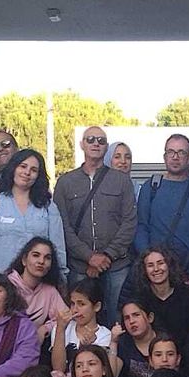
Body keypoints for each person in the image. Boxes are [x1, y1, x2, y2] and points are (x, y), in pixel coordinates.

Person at [54, 125, 137, 324]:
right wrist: (88, 256)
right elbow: (61, 225)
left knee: (118, 318)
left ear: (106, 147)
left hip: (117, 265)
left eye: (100, 140)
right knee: (80, 318)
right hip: (80, 267)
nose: (95, 143)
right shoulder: (65, 182)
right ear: (82, 144)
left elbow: (129, 222)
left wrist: (106, 256)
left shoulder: (122, 181)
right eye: (90, 139)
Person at [0, 147, 67, 283]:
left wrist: (61, 281)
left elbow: (57, 249)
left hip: (37, 287)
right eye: (23, 166)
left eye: (34, 170)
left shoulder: (48, 207)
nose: (27, 172)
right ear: (13, 168)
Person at [135, 134, 189, 291]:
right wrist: (148, 261)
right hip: (155, 272)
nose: (175, 157)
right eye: (171, 152)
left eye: (181, 152)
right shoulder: (150, 187)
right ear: (164, 156)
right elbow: (141, 227)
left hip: (188, 272)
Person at [129, 246, 189, 348]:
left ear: (169, 266)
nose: (156, 269)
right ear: (144, 270)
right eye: (150, 265)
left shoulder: (188, 296)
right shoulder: (140, 300)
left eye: (160, 263)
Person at [48, 278, 112, 377]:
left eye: (81, 304)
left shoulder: (106, 335)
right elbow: (58, 369)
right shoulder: (61, 328)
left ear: (97, 307)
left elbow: (99, 374)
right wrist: (60, 330)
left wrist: (87, 346)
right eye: (73, 304)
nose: (75, 310)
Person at [110, 299, 161, 377]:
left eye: (136, 315)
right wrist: (113, 342)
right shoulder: (123, 343)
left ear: (150, 318)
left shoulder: (164, 341)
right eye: (127, 318)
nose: (131, 321)